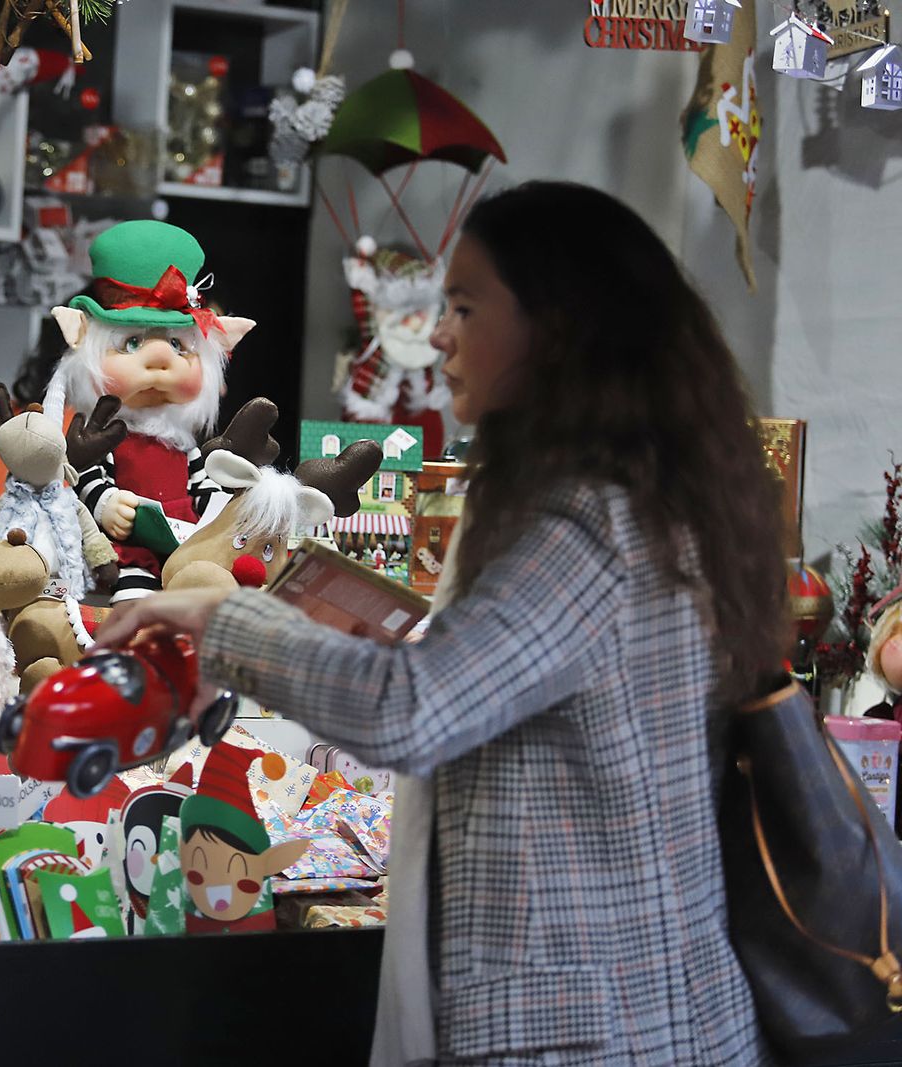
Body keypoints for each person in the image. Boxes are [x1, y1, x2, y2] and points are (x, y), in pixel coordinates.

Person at [97, 181, 787, 1065]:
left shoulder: (588, 521)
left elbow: (414, 707)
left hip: (595, 1026)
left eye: (464, 306)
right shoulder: (627, 496)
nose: (439, 336)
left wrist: (226, 618)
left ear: (556, 326)